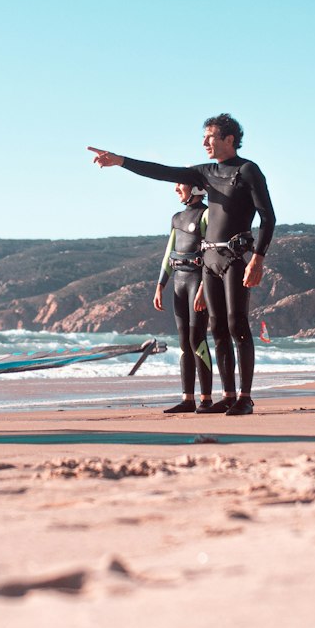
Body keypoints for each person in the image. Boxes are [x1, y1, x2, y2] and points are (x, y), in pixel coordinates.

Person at [89, 113, 275, 416]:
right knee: (217, 329)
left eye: (210, 137)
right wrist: (120, 161)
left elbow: (268, 217)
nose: (205, 143)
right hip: (210, 259)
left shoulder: (248, 170)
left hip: (235, 256)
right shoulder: (206, 173)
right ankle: (227, 395)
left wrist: (258, 259)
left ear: (229, 139)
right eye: (203, 137)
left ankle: (245, 397)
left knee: (236, 324)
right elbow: (162, 172)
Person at [154, 182, 213, 414]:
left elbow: (211, 254)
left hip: (198, 281)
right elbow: (169, 253)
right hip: (179, 281)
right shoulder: (177, 218)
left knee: (197, 339)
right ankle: (187, 399)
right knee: (183, 341)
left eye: (181, 185)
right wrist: (160, 285)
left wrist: (203, 290)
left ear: (196, 188)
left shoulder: (207, 214)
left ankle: (206, 399)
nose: (176, 189)